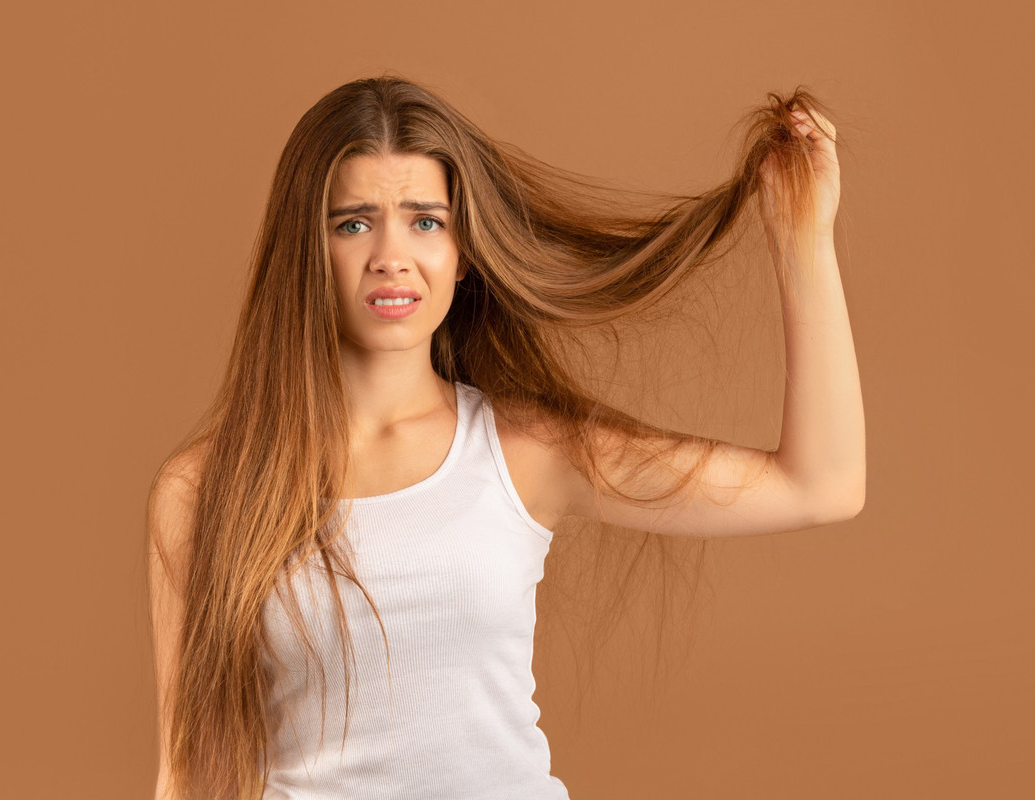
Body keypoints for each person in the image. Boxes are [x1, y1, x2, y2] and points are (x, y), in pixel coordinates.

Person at [145, 75, 864, 800]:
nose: (392, 256)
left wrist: (802, 236)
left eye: (425, 221)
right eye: (353, 222)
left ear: (463, 254)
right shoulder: (204, 489)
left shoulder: (523, 450)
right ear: (306, 250)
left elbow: (821, 484)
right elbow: (186, 773)